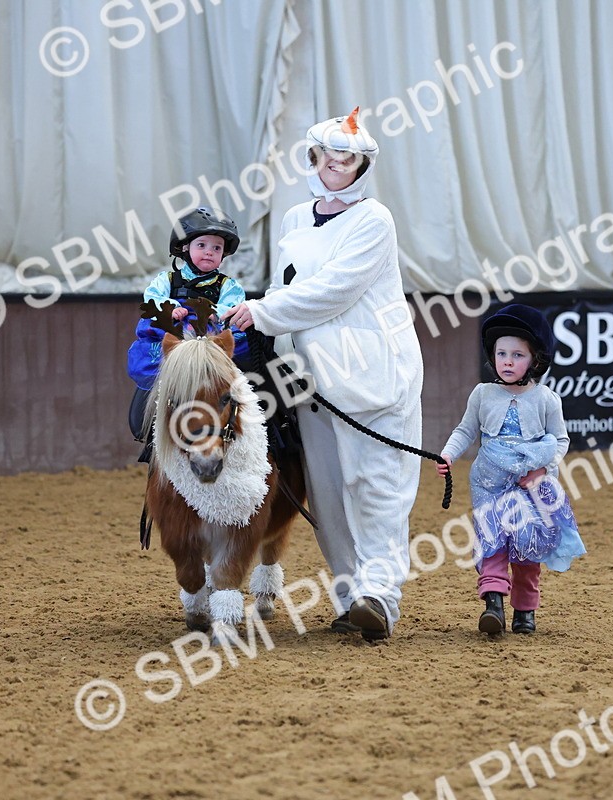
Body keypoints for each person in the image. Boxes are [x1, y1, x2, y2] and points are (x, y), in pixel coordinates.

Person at [223, 107, 422, 642]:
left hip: (371, 373)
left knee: (375, 487)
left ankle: (381, 598)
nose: (336, 164)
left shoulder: (374, 220)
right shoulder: (293, 219)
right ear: (313, 157)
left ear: (362, 166)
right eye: (328, 155)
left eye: (347, 158)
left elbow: (336, 289)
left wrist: (263, 311)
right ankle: (350, 597)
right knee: (329, 494)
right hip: (309, 381)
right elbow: (284, 286)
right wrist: (259, 324)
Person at [436, 304, 586, 635]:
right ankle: (493, 606)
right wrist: (448, 454)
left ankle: (525, 611)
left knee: (527, 549)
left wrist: (543, 470)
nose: (507, 361)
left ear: (535, 360)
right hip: (489, 484)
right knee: (492, 543)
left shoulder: (546, 399)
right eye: (501, 353)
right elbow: (465, 430)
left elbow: (560, 440)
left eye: (517, 355)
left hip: (531, 488)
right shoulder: (482, 394)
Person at [126, 207, 246, 448]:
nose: (209, 252)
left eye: (217, 248)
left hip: (210, 341)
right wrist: (169, 308)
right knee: (152, 351)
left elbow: (233, 305)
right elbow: (152, 299)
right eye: (202, 245)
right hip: (177, 338)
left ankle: (250, 425)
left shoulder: (228, 285)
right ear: (184, 248)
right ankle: (153, 424)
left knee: (245, 352)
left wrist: (215, 312)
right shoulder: (166, 280)